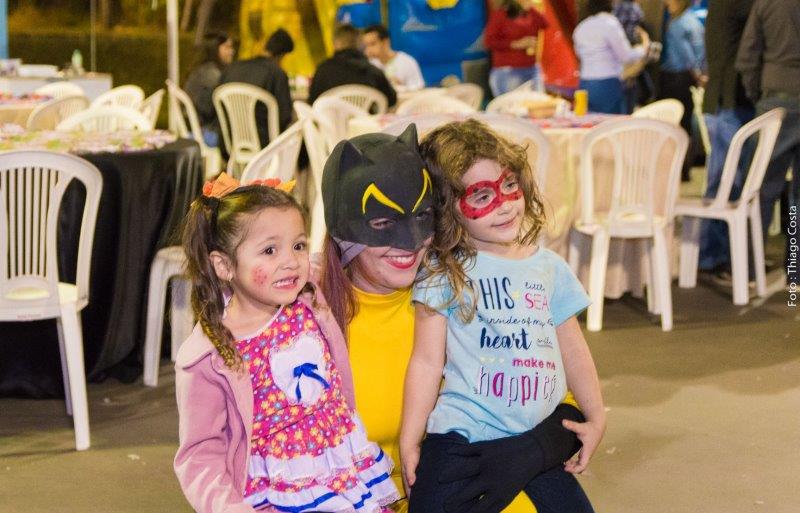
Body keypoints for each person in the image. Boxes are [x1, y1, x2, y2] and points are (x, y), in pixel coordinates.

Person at [319, 124, 587, 513]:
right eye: (381, 224)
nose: (410, 241)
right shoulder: (309, 326)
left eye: (422, 215)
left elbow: (561, 394)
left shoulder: (462, 286)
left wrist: (530, 452)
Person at [401, 119, 605, 513]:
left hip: (537, 436)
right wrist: (410, 439)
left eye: (509, 185)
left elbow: (574, 349)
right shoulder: (445, 271)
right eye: (481, 196)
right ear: (448, 208)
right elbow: (426, 362)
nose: (505, 204)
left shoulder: (549, 268)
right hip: (462, 433)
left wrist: (596, 417)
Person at [173, 173, 400, 513]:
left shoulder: (308, 297)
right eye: (269, 250)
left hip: (342, 470)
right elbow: (200, 454)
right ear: (224, 265)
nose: (291, 261)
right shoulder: (210, 355)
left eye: (298, 245)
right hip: (278, 493)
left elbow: (341, 254)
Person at [736, 0, 800, 287]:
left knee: (761, 189)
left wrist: (758, 94)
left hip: (776, 98)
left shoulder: (767, 3)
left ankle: (751, 271)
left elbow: (747, 55)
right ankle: (795, 272)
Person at [698, 0, 755, 275]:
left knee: (729, 183)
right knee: (724, 182)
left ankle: (725, 256)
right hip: (726, 103)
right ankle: (711, 257)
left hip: (728, 101)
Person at [219, 28, 294, 148]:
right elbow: (285, 116)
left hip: (229, 143)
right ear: (282, 55)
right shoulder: (276, 73)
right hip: (265, 147)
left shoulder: (233, 68)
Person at [573, 0, 649, 113]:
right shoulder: (610, 23)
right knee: (612, 122)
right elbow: (626, 56)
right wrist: (643, 48)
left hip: (585, 83)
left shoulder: (581, 27)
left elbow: (579, 55)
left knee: (590, 120)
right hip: (607, 83)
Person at [659, 0, 705, 180]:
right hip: (685, 79)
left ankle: (679, 169)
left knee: (676, 126)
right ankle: (684, 169)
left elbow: (687, 56)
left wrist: (697, 75)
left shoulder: (678, 24)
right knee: (685, 125)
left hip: (675, 79)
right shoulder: (692, 20)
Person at [308, 23, 397, 107]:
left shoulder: (322, 71)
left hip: (330, 118)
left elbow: (312, 102)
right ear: (358, 44)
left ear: (335, 44)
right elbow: (392, 100)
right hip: (365, 118)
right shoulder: (373, 71)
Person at [484, 0, 549, 96]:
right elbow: (489, 42)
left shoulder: (530, 13)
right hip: (508, 70)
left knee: (538, 101)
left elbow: (545, 24)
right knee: (513, 103)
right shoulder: (501, 14)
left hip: (532, 68)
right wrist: (516, 44)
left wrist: (532, 8)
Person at [184, 32, 234, 147]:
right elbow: (214, 107)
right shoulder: (210, 74)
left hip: (198, 128)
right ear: (214, 49)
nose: (232, 51)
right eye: (227, 47)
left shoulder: (202, 69)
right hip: (203, 132)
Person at [362, 24, 425, 93]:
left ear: (385, 42)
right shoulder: (369, 64)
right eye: (366, 46)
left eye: (372, 44)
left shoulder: (407, 62)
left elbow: (419, 89)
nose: (368, 50)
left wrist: (401, 87)